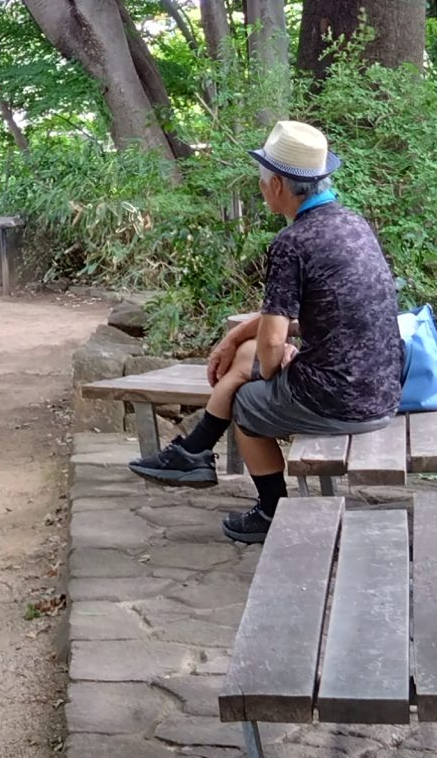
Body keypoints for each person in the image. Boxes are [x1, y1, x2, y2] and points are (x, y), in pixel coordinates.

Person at [130, 118, 403, 546]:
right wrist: (235, 339)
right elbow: (285, 319)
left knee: (248, 403)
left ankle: (269, 510)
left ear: (277, 185)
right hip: (383, 387)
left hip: (343, 399)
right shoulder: (352, 224)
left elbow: (275, 343)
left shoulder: (293, 243)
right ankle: (194, 452)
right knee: (246, 359)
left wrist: (269, 371)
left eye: (262, 181)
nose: (260, 188)